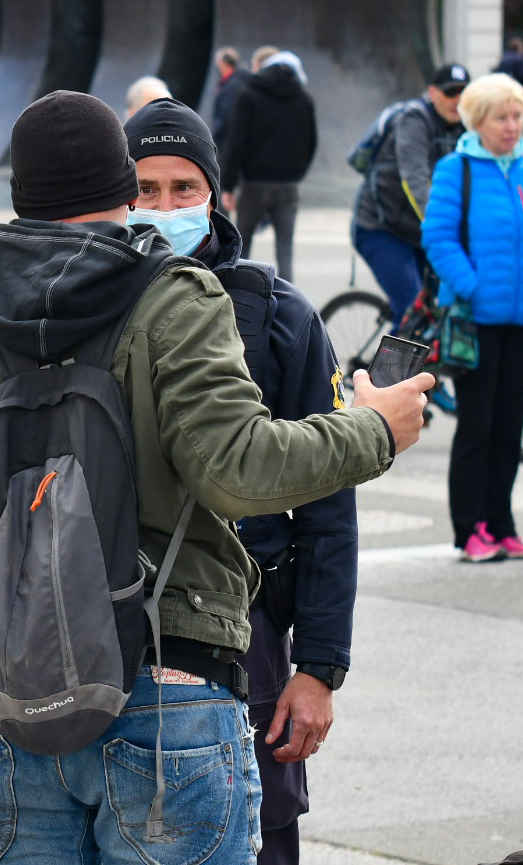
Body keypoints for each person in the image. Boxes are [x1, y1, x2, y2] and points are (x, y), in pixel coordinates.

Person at [0, 90, 429, 865]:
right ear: (122, 187)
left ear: (20, 193)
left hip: (10, 692)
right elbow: (241, 472)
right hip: (166, 679)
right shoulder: (176, 297)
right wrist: (376, 427)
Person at [126, 98, 357, 865]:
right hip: (107, 639)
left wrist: (319, 669)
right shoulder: (82, 302)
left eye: (182, 189)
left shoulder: (278, 313)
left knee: (257, 839)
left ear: (216, 196)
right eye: (144, 188)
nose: (163, 207)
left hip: (246, 636)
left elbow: (326, 508)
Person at [422, 72, 523, 563]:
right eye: (501, 117)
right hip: (477, 321)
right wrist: (474, 287)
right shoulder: (455, 170)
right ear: (478, 121)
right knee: (477, 427)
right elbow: (439, 238)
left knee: (510, 427)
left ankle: (502, 524)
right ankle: (470, 529)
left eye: (517, 115)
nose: (511, 125)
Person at [351, 62, 470, 325]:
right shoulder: (414, 120)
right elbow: (413, 180)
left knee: (441, 308)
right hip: (381, 228)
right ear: (433, 92)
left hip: (420, 233)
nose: (458, 100)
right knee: (410, 310)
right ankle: (392, 366)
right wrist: (441, 227)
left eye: (464, 92)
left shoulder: (465, 127)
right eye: (451, 92)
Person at [221, 50, 316, 281]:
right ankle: (290, 309)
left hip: (254, 182)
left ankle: (239, 300)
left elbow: (236, 142)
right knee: (285, 251)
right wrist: (297, 173)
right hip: (288, 185)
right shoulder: (303, 98)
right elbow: (311, 141)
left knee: (241, 249)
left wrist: (228, 185)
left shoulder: (249, 95)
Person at [210, 46, 245, 147]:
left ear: (222, 63)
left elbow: (226, 114)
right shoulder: (234, 81)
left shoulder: (232, 85)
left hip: (228, 140)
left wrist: (215, 134)